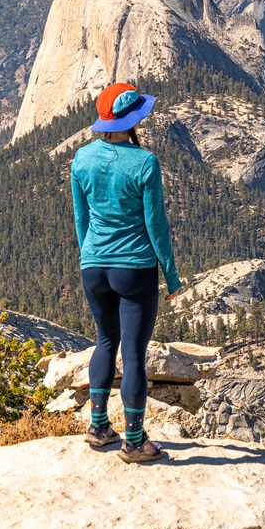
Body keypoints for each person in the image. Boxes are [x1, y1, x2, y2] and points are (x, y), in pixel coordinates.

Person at [71, 82, 183, 463]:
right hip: (133, 268)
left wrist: (90, 256)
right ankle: (134, 442)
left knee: (105, 341)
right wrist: (171, 274)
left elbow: (81, 219)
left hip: (94, 267)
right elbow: (156, 225)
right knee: (134, 354)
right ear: (134, 120)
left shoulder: (81, 160)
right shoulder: (144, 162)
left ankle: (99, 426)